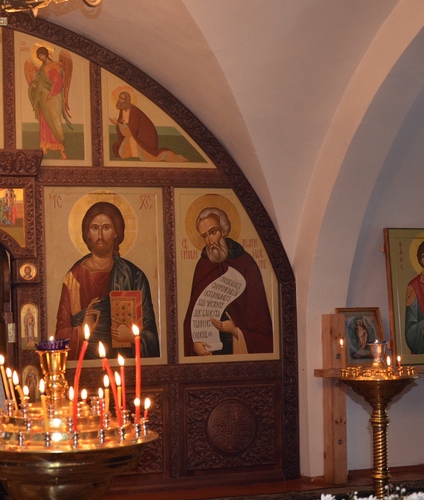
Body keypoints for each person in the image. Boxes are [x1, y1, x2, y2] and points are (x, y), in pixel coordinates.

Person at [54, 201, 159, 358]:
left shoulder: (134, 276)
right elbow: (60, 335)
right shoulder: (74, 278)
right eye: (95, 228)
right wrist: (82, 330)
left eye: (106, 228)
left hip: (125, 363)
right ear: (87, 233)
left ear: (116, 232)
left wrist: (132, 336)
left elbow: (152, 336)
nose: (100, 235)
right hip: (85, 364)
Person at [183, 207, 274, 356]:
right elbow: (191, 318)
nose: (210, 241)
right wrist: (194, 344)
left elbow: (261, 327)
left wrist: (235, 330)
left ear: (224, 230)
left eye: (213, 232)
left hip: (236, 349)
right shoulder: (202, 266)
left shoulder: (246, 264)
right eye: (205, 236)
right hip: (210, 351)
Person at [109, 91, 183, 162]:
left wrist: (118, 124)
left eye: (122, 99)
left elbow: (133, 127)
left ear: (127, 100)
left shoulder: (134, 110)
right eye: (119, 98)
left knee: (148, 156)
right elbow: (123, 124)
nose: (120, 100)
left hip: (139, 136)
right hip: (130, 136)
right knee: (122, 154)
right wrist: (119, 122)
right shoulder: (122, 110)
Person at [26, 47, 71, 159]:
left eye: (41, 55)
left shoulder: (54, 66)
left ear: (46, 54)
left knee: (55, 121)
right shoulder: (42, 67)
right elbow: (40, 80)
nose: (40, 58)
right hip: (43, 98)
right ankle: (45, 144)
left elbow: (58, 82)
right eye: (38, 57)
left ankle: (61, 146)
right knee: (44, 120)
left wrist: (51, 93)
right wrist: (35, 85)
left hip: (53, 98)